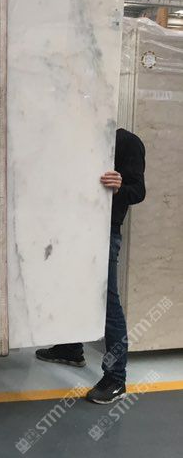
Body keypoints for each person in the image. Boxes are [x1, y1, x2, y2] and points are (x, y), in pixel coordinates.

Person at [35, 128, 146, 405]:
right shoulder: (80, 135)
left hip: (104, 231)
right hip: (75, 227)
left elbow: (138, 191)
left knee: (108, 303)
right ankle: (71, 348)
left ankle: (116, 379)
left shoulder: (127, 141)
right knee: (73, 290)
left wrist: (120, 186)